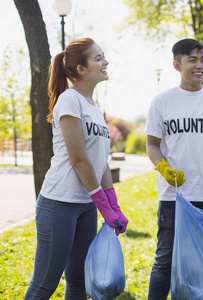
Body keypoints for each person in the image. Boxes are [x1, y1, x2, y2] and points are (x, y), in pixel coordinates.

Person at [24, 38, 128, 299]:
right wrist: (104, 205)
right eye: (98, 58)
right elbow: (79, 159)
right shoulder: (69, 100)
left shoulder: (94, 108)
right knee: (44, 284)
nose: (105, 62)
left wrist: (112, 204)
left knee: (80, 282)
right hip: (59, 204)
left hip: (85, 206)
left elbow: (100, 159)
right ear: (81, 69)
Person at [145, 38, 203, 300]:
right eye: (192, 60)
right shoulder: (162, 102)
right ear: (177, 65)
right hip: (174, 195)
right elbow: (152, 145)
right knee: (165, 260)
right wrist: (163, 167)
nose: (200, 65)